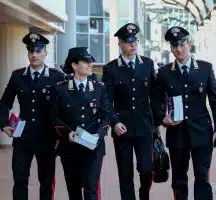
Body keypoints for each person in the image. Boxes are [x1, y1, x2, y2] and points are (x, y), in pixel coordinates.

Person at [154, 26, 216, 200]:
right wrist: (163, 117)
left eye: (182, 44)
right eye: (174, 46)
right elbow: (155, 101)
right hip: (177, 133)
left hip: (202, 132)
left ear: (189, 44)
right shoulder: (164, 73)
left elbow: (215, 100)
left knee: (202, 176)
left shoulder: (205, 69)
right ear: (170, 48)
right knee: (178, 179)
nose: (179, 49)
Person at [0, 32, 65, 200]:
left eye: (38, 51)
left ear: (45, 52)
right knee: (20, 180)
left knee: (46, 181)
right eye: (31, 51)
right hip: (23, 136)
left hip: (47, 137)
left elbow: (65, 107)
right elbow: (5, 103)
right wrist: (3, 123)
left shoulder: (57, 77)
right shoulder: (18, 75)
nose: (34, 55)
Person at [102, 23, 157, 200]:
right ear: (120, 43)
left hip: (144, 127)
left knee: (147, 169)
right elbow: (107, 101)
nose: (133, 45)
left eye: (135, 41)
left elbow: (155, 96)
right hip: (122, 128)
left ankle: (143, 195)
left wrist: (158, 121)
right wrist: (114, 122)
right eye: (128, 41)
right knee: (125, 173)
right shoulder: (111, 68)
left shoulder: (147, 64)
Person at [51, 47, 110, 200]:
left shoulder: (99, 88)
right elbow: (54, 117)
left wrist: (99, 134)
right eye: (86, 61)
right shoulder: (60, 89)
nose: (90, 64)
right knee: (74, 190)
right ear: (74, 65)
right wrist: (67, 133)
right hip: (70, 147)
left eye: (91, 61)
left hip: (93, 146)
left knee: (91, 188)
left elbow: (106, 115)